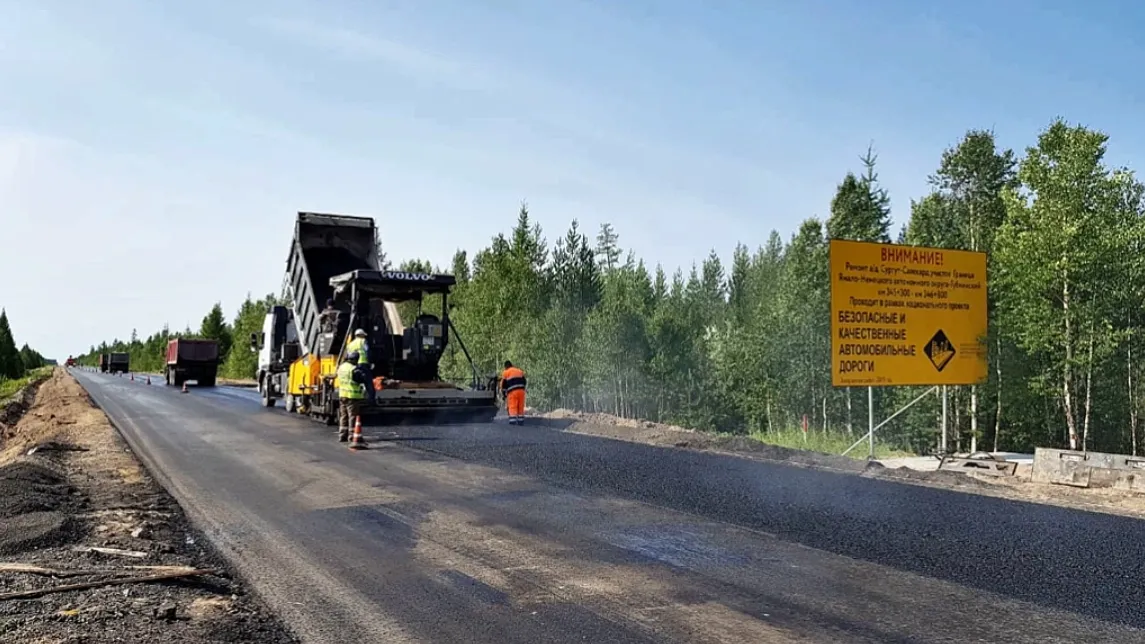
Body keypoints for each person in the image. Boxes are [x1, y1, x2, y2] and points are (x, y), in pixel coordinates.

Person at [336, 351, 370, 442]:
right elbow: (360, 379)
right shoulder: (353, 369)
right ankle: (352, 435)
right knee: (352, 417)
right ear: (355, 359)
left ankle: (342, 435)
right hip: (352, 396)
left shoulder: (341, 367)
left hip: (342, 395)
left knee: (343, 416)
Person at [500, 360, 527, 425]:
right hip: (521, 391)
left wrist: (504, 395)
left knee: (512, 406)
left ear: (506, 366)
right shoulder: (519, 371)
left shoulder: (506, 372)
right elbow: (525, 381)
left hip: (513, 392)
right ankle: (521, 421)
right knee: (520, 406)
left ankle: (513, 421)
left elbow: (503, 385)